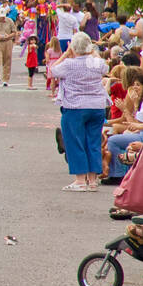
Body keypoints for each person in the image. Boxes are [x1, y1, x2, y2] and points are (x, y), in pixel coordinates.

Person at [51, 32, 109, 191]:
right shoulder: (97, 63)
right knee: (94, 142)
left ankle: (80, 180)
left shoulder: (69, 64)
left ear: (73, 47)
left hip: (75, 106)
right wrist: (93, 52)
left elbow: (53, 71)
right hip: (96, 106)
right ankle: (92, 180)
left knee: (75, 142)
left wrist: (65, 54)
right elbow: (106, 66)